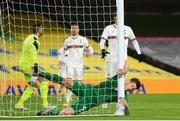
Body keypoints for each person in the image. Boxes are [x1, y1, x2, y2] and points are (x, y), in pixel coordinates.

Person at [33, 61, 141, 115]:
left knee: (67, 113)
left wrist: (126, 107)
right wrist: (126, 70)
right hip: (88, 89)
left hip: (90, 101)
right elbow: (125, 61)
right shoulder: (118, 78)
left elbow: (127, 113)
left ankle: (50, 112)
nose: (130, 89)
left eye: (132, 89)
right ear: (129, 81)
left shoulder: (122, 96)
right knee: (67, 82)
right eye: (131, 86)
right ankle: (40, 73)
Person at [14, 24, 56, 111]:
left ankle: (19, 104)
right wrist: (35, 67)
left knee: (33, 85)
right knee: (44, 79)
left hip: (23, 65)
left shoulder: (28, 38)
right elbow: (32, 53)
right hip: (29, 65)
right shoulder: (35, 40)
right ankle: (46, 104)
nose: (43, 30)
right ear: (38, 30)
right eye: (42, 29)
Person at [100, 14, 142, 79]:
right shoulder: (108, 28)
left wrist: (139, 53)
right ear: (114, 17)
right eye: (117, 15)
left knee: (121, 79)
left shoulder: (128, 29)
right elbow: (102, 41)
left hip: (123, 59)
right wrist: (102, 50)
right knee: (110, 79)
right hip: (111, 58)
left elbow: (134, 41)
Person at [62, 22, 94, 107]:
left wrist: (89, 53)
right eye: (73, 28)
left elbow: (91, 49)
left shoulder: (83, 39)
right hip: (70, 64)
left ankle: (81, 98)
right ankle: (67, 100)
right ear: (71, 29)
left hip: (79, 64)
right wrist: (64, 59)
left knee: (79, 82)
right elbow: (64, 52)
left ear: (78, 29)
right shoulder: (67, 41)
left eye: (76, 28)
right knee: (69, 81)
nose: (74, 29)